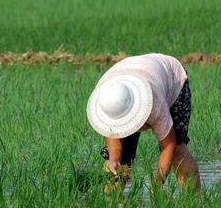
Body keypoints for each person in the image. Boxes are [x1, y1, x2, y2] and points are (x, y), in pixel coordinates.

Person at [86, 53, 201, 192]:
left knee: (177, 149)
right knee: (116, 164)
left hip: (171, 79)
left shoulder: (154, 103)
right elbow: (112, 136)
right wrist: (114, 160)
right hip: (129, 74)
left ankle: (194, 202)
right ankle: (112, 207)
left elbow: (168, 146)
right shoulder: (106, 100)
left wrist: (158, 183)